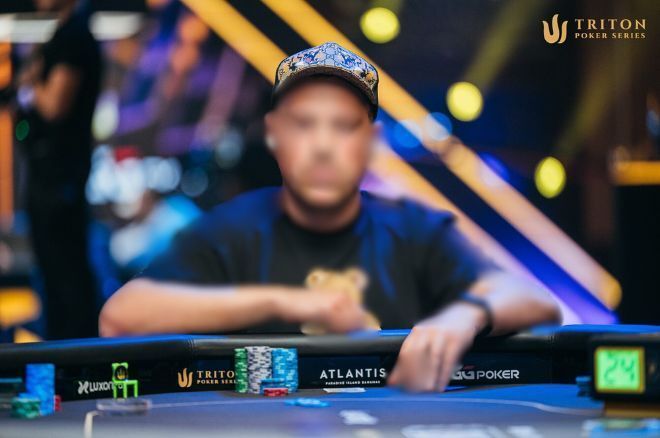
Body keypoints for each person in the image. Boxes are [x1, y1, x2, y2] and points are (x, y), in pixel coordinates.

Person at [99, 42, 560, 391]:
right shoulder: (232, 231)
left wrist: (465, 315)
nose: (323, 145)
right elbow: (120, 319)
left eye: (343, 126)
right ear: (275, 136)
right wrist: (285, 302)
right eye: (304, 124)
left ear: (370, 142)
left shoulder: (413, 229)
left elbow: (534, 300)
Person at [16, 0, 101, 339]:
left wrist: (30, 81)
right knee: (58, 273)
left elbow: (54, 106)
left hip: (59, 180)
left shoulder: (74, 36)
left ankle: (73, 357)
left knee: (65, 275)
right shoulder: (66, 33)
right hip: (54, 176)